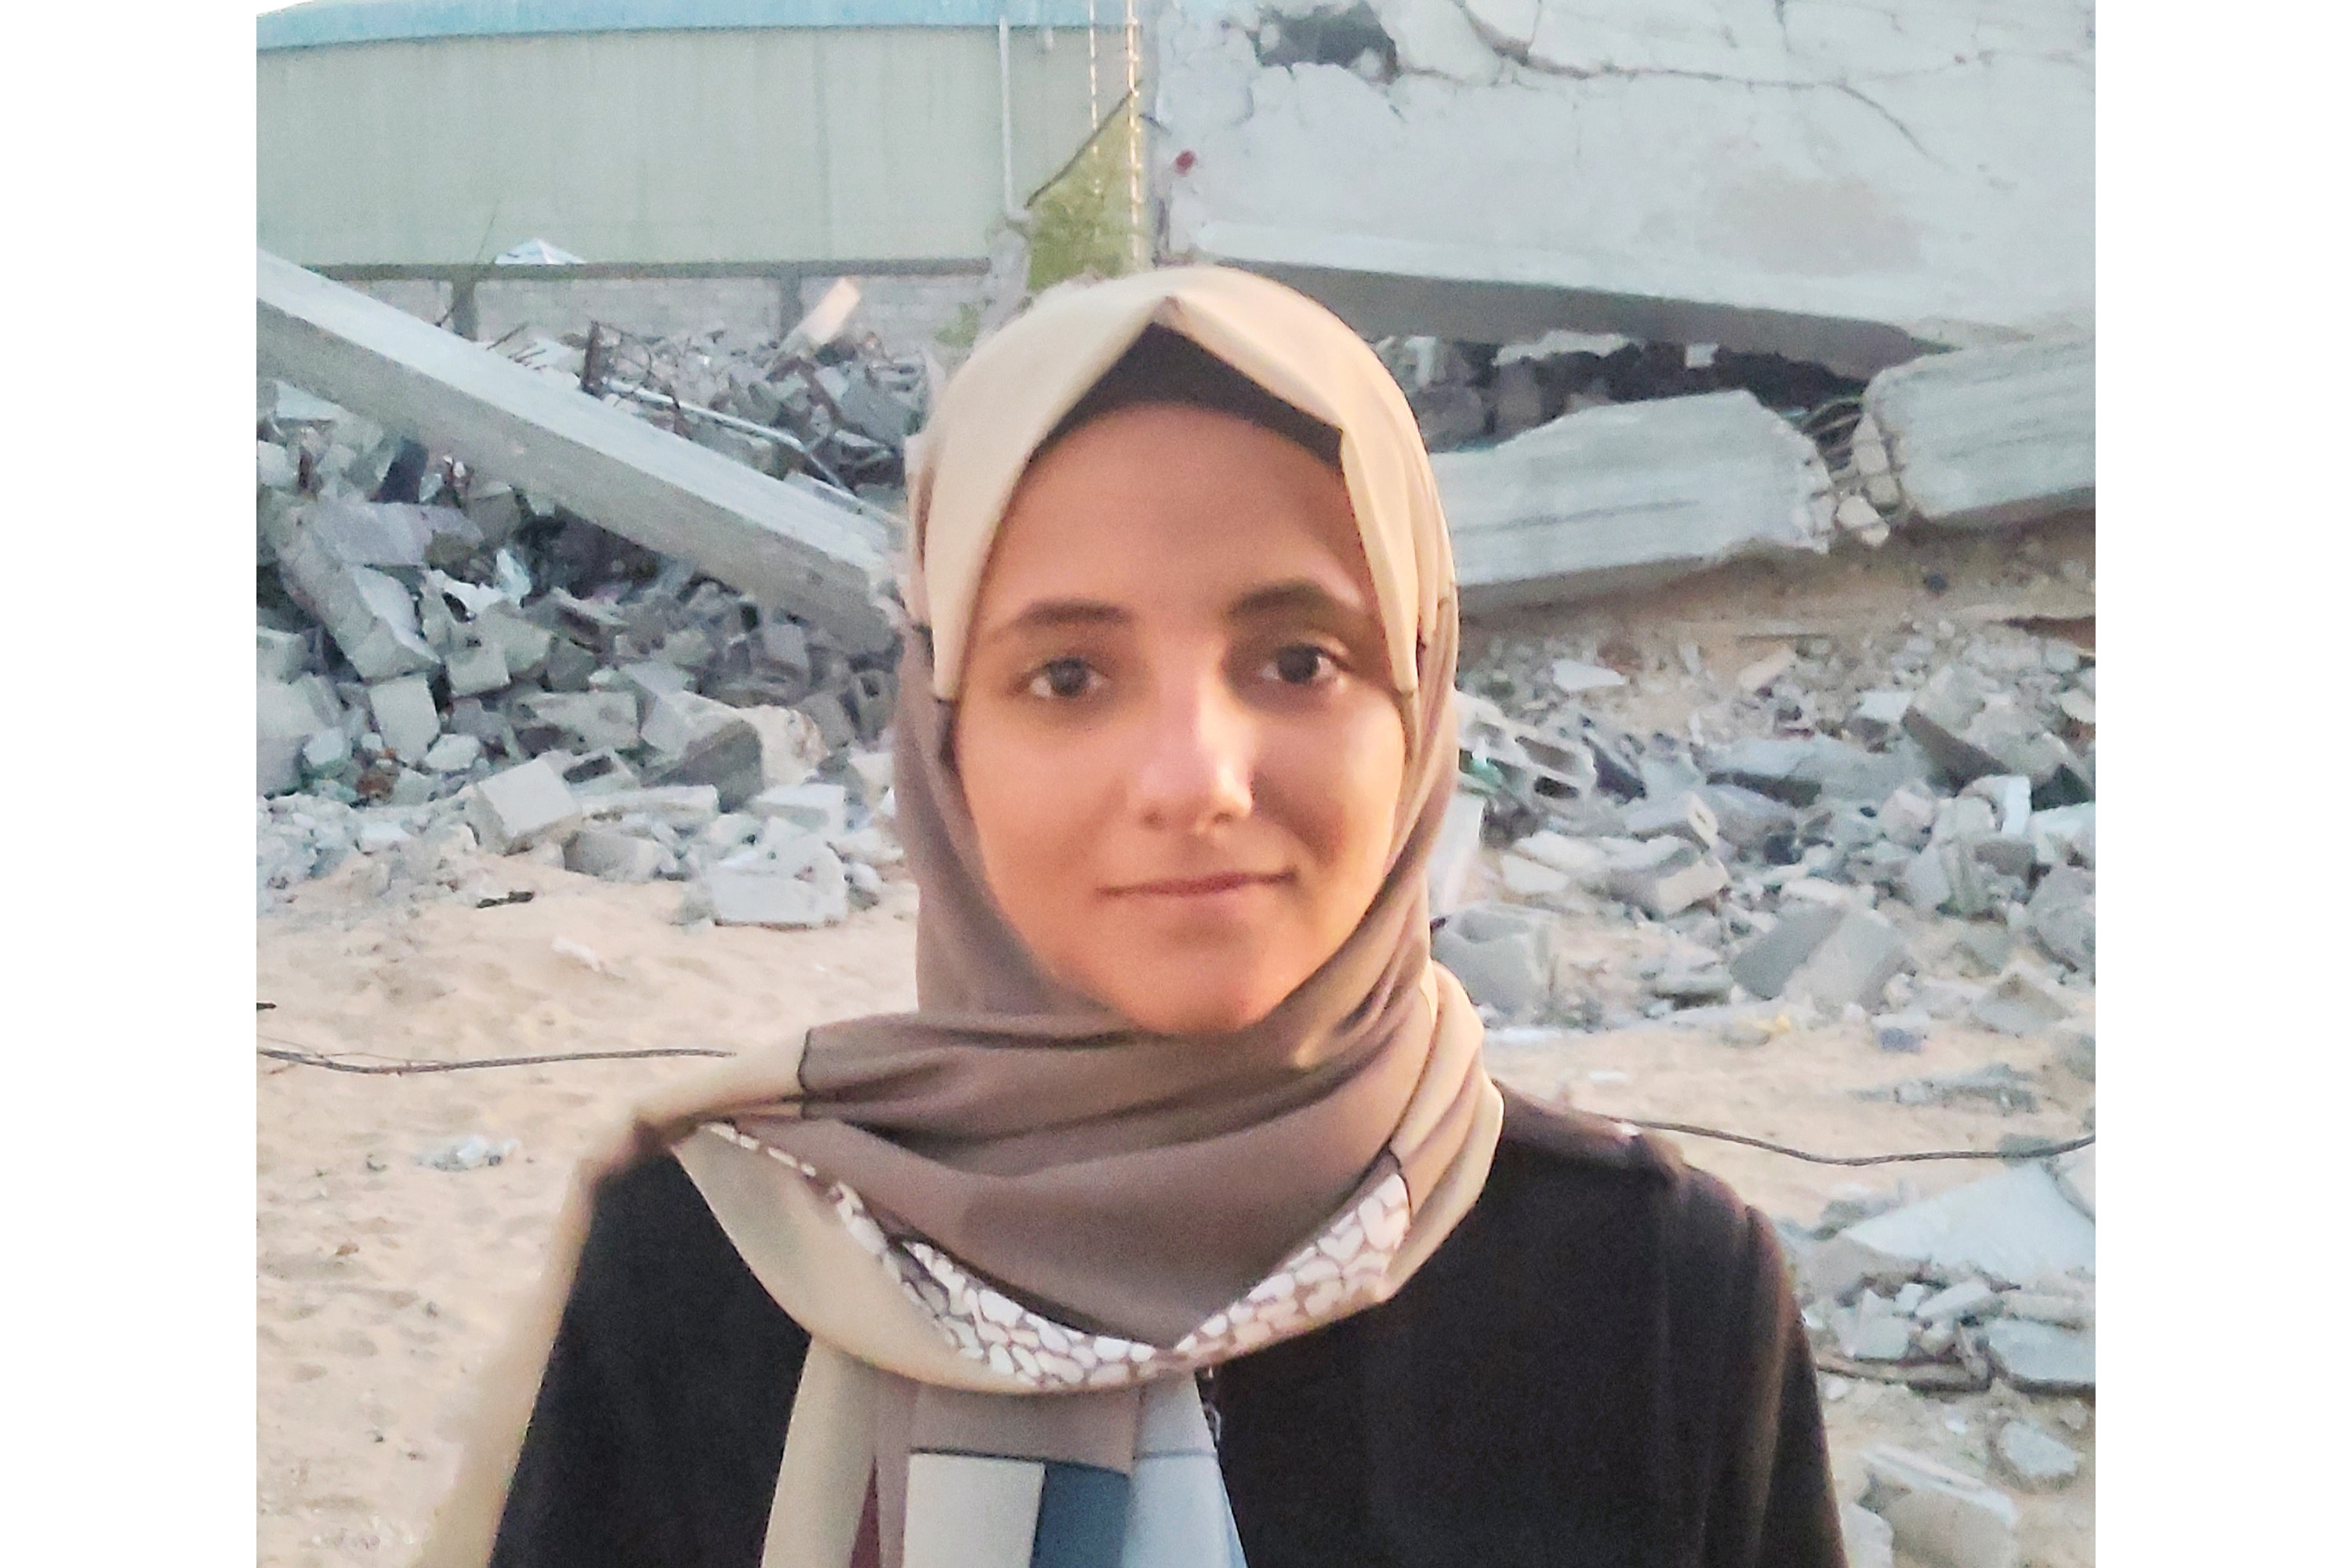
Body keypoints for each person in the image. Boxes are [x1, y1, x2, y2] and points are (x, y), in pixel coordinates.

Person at [419, 268, 1844, 1568]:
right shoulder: (709, 1273)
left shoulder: (1657, 1301)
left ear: (1418, 704)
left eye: (1298, 658)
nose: (1194, 783)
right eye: (1069, 676)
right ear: (944, 735)